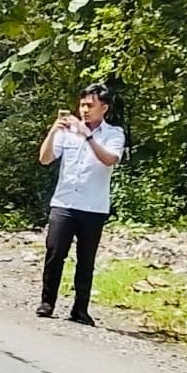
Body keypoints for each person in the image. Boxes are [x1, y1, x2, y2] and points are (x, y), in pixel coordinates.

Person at [37, 83, 126, 326]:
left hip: (93, 206)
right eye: (82, 105)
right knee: (55, 253)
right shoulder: (66, 132)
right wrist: (54, 131)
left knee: (86, 260)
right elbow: (45, 159)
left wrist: (87, 136)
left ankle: (80, 309)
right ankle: (47, 303)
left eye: (90, 105)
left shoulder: (114, 134)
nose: (85, 110)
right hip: (64, 202)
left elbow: (109, 160)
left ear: (104, 108)